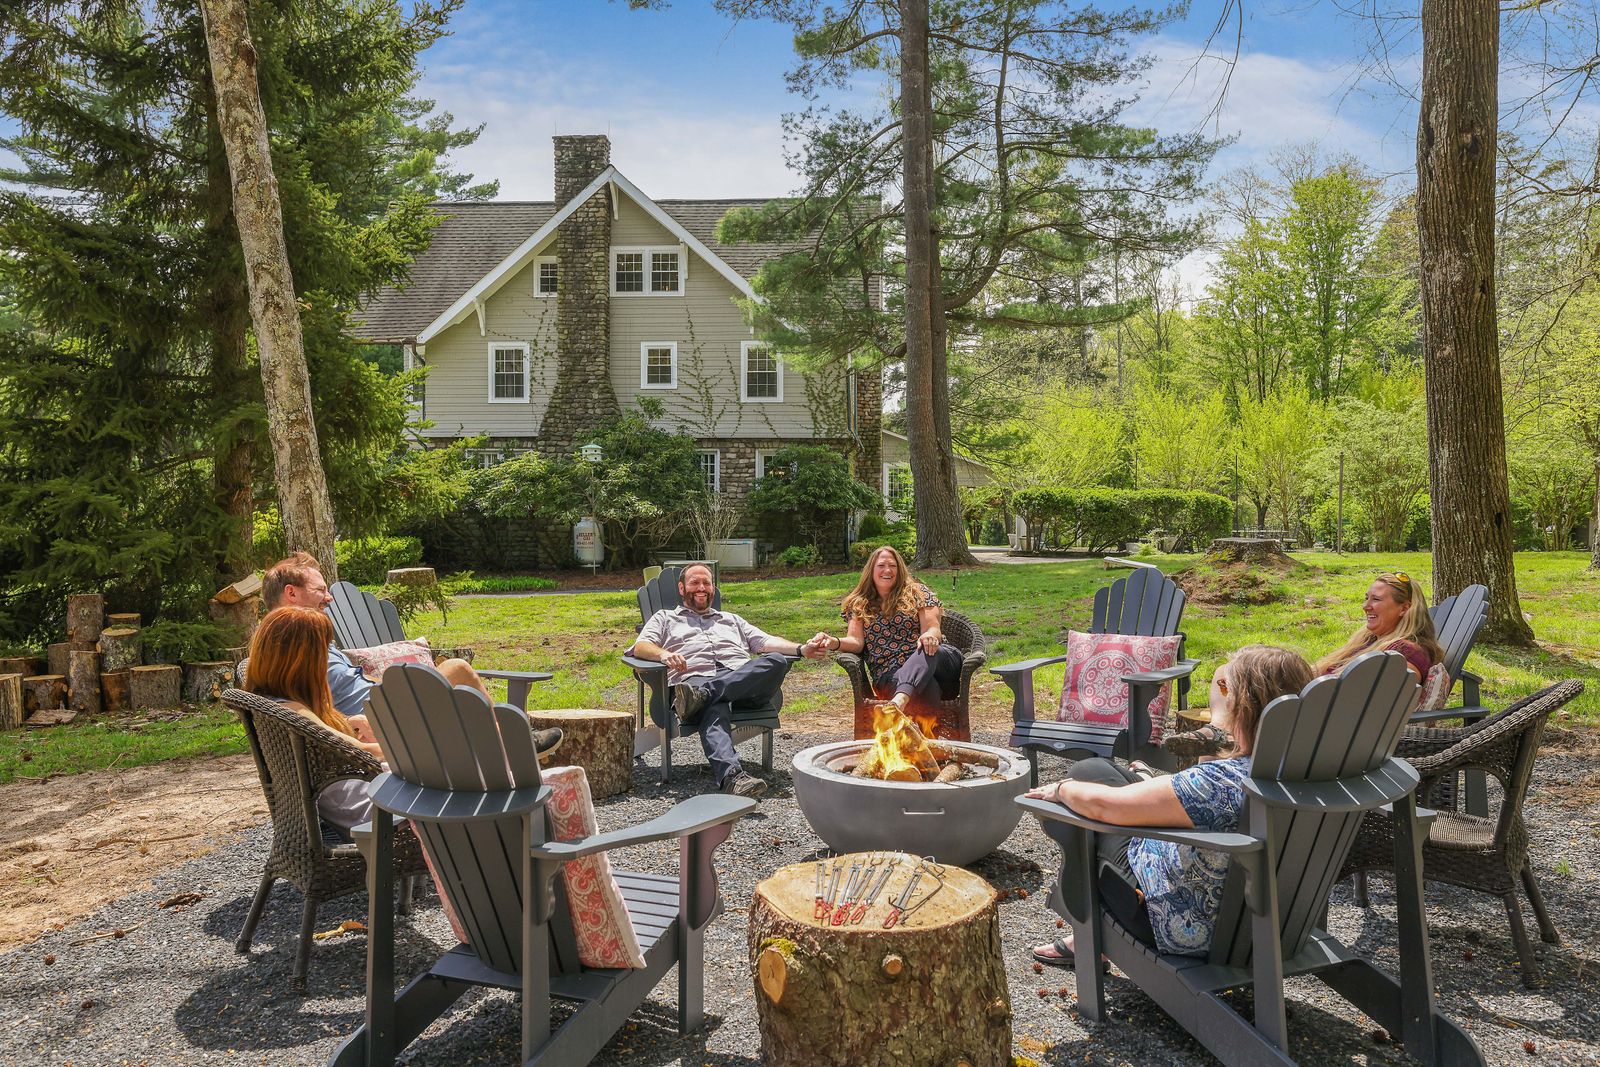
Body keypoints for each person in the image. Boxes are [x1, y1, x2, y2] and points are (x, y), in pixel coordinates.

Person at [1030, 645, 1314, 965]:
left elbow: (1105, 808)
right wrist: (1220, 729)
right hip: (1272, 924)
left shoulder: (1218, 782)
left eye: (1227, 692)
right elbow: (1204, 789)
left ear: (1242, 707)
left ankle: (1088, 934)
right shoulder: (1311, 772)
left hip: (1181, 925)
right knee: (1102, 773)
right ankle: (1143, 780)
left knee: (1087, 775)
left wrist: (1062, 789)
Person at [260, 552, 561, 756]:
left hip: (383, 705)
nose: (329, 598)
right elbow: (307, 707)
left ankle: (506, 743)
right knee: (457, 668)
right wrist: (353, 722)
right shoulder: (285, 648)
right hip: (378, 718)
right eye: (320, 590)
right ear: (291, 593)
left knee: (455, 682)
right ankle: (512, 743)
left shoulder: (310, 637)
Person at [629, 562, 830, 798]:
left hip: (741, 685)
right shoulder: (665, 618)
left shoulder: (731, 619)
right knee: (714, 707)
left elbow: (765, 642)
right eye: (695, 582)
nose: (701, 587)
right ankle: (732, 778)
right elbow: (641, 646)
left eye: (706, 583)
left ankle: (704, 695)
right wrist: (663, 654)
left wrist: (802, 649)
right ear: (681, 588)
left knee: (776, 660)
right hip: (694, 679)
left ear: (713, 588)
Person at [243, 606, 385, 839]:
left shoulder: (276, 701)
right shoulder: (293, 713)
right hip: (366, 807)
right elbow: (364, 752)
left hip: (355, 794)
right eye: (323, 650)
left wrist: (347, 722)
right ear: (301, 660)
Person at [809, 545, 961, 736]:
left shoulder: (918, 593)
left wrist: (929, 635)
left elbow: (933, 628)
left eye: (893, 566)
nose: (887, 570)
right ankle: (926, 746)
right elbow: (856, 642)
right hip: (892, 673)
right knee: (927, 687)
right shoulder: (859, 603)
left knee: (927, 648)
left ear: (900, 569)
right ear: (871, 570)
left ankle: (899, 700)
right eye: (881, 565)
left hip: (939, 662)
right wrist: (833, 642)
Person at [1315, 571, 1442, 682]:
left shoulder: (1407, 655)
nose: (1365, 606)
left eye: (1376, 599)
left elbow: (1378, 698)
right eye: (1367, 598)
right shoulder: (1371, 640)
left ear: (1404, 608)